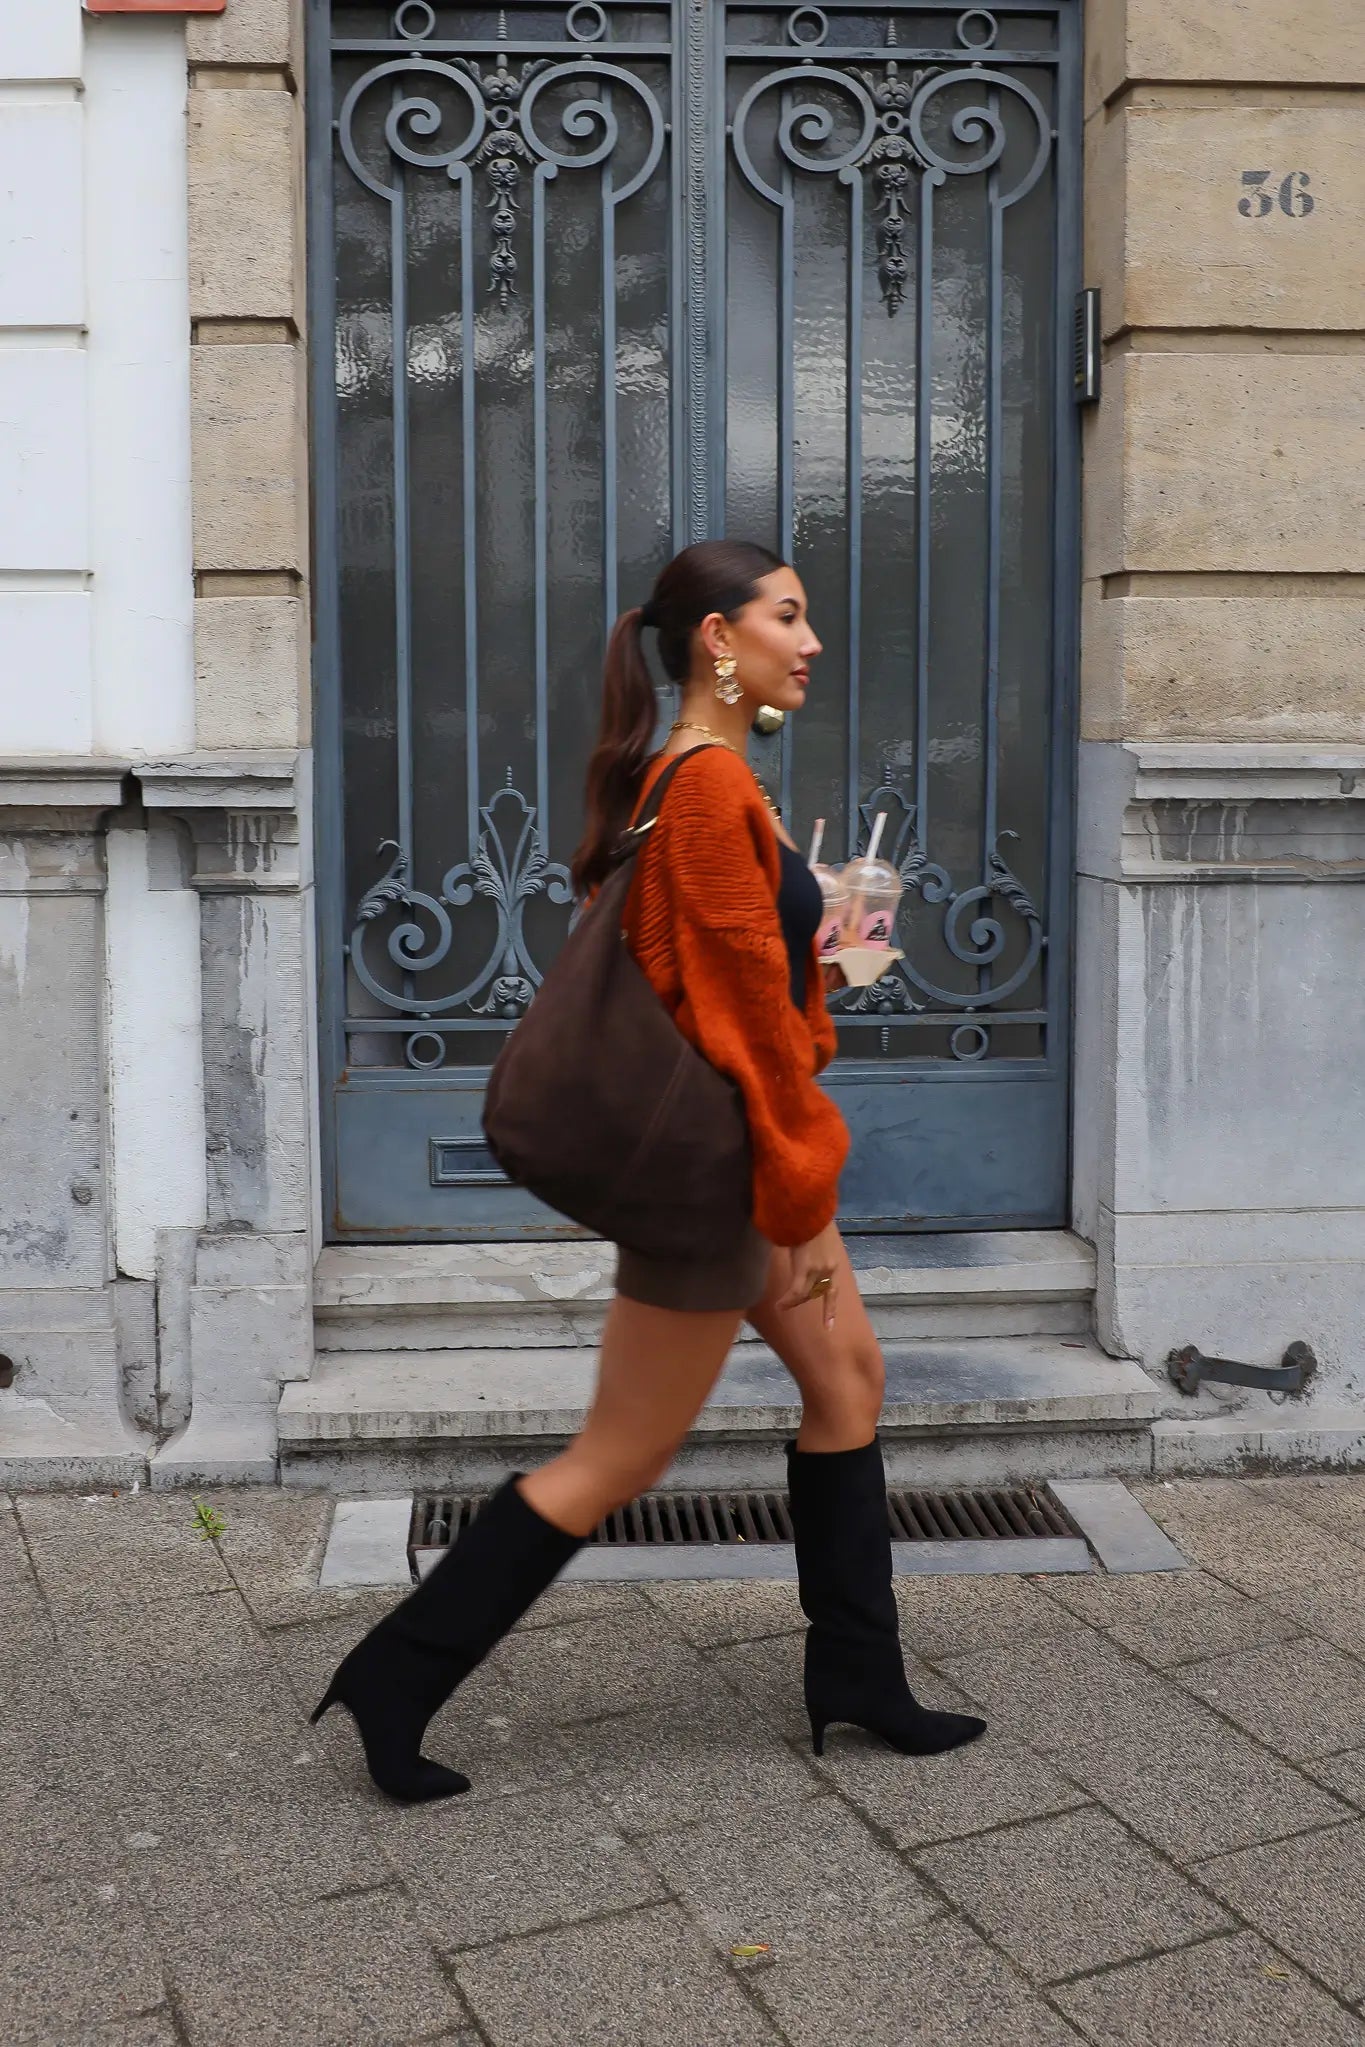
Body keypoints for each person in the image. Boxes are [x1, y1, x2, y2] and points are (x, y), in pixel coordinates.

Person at [312, 540, 986, 1801]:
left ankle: (859, 1675)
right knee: (620, 1452)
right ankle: (398, 1672)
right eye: (788, 616)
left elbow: (725, 969)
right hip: (723, 1178)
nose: (812, 641)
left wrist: (824, 928)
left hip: (739, 1161)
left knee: (849, 1378)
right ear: (719, 640)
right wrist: (797, 1197)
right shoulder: (709, 785)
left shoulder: (693, 776)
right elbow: (743, 1026)